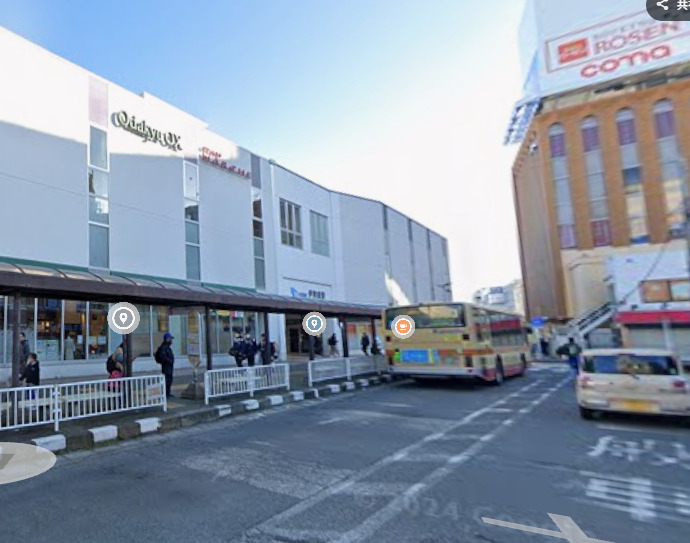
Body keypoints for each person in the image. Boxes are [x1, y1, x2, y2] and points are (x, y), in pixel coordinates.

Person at [155, 332, 175, 398]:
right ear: (167, 339)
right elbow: (162, 357)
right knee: (167, 380)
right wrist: (169, 361)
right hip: (166, 367)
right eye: (170, 339)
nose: (171, 340)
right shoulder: (163, 347)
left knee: (169, 379)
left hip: (169, 367)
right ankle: (165, 394)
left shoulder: (167, 347)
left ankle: (168, 393)